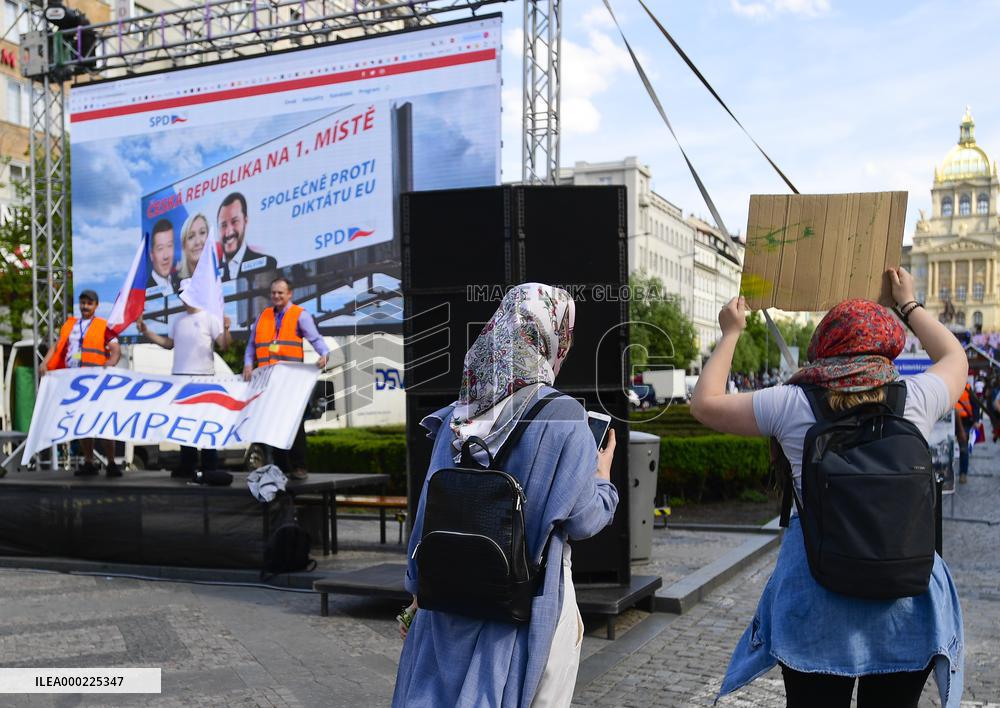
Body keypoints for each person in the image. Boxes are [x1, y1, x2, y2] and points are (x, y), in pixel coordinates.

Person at [692, 267, 966, 708]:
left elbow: (705, 404)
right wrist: (909, 305)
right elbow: (956, 357)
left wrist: (731, 332)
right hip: (907, 601)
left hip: (816, 597)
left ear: (825, 342)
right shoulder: (914, 397)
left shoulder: (792, 402)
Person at [392, 284, 619, 708]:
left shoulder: (457, 417)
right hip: (523, 607)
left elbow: (426, 512)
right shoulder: (565, 416)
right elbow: (584, 520)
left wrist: (416, 591)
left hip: (448, 604)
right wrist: (602, 479)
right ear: (554, 336)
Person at [136, 281, 232, 479]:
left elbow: (223, 345)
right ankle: (187, 465)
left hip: (203, 379)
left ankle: (209, 466)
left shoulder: (209, 317)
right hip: (180, 379)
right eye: (180, 293)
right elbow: (169, 344)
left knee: (205, 424)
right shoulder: (178, 320)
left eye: (186, 292)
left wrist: (227, 329)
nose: (183, 297)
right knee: (184, 424)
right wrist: (148, 333)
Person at [243, 277, 328, 480]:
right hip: (268, 383)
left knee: (294, 424)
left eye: (280, 292)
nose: (276, 296)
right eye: (273, 292)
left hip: (291, 383)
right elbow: (251, 346)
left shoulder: (300, 315)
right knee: (273, 424)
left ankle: (299, 467)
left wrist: (324, 354)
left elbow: (316, 339)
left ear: (290, 294)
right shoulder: (263, 316)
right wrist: (248, 363)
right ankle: (281, 466)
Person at [39, 289, 123, 478]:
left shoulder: (104, 325)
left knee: (103, 421)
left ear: (96, 305)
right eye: (83, 303)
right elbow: (57, 346)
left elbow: (116, 350)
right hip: (74, 380)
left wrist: (109, 364)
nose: (85, 306)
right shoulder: (70, 325)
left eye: (89, 303)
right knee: (82, 421)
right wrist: (45, 362)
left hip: (96, 380)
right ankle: (89, 461)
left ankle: (111, 462)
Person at [217, 192, 277, 283]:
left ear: (245, 221)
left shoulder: (267, 264)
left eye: (234, 222)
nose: (229, 232)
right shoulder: (210, 275)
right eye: (223, 225)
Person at [146, 218, 178, 295]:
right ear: (151, 255)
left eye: (169, 246)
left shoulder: (179, 282)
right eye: (160, 248)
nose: (166, 256)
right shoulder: (146, 291)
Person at [176, 213, 210, 281]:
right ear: (184, 246)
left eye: (202, 233)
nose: (197, 242)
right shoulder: (174, 282)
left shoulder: (223, 270)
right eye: (191, 237)